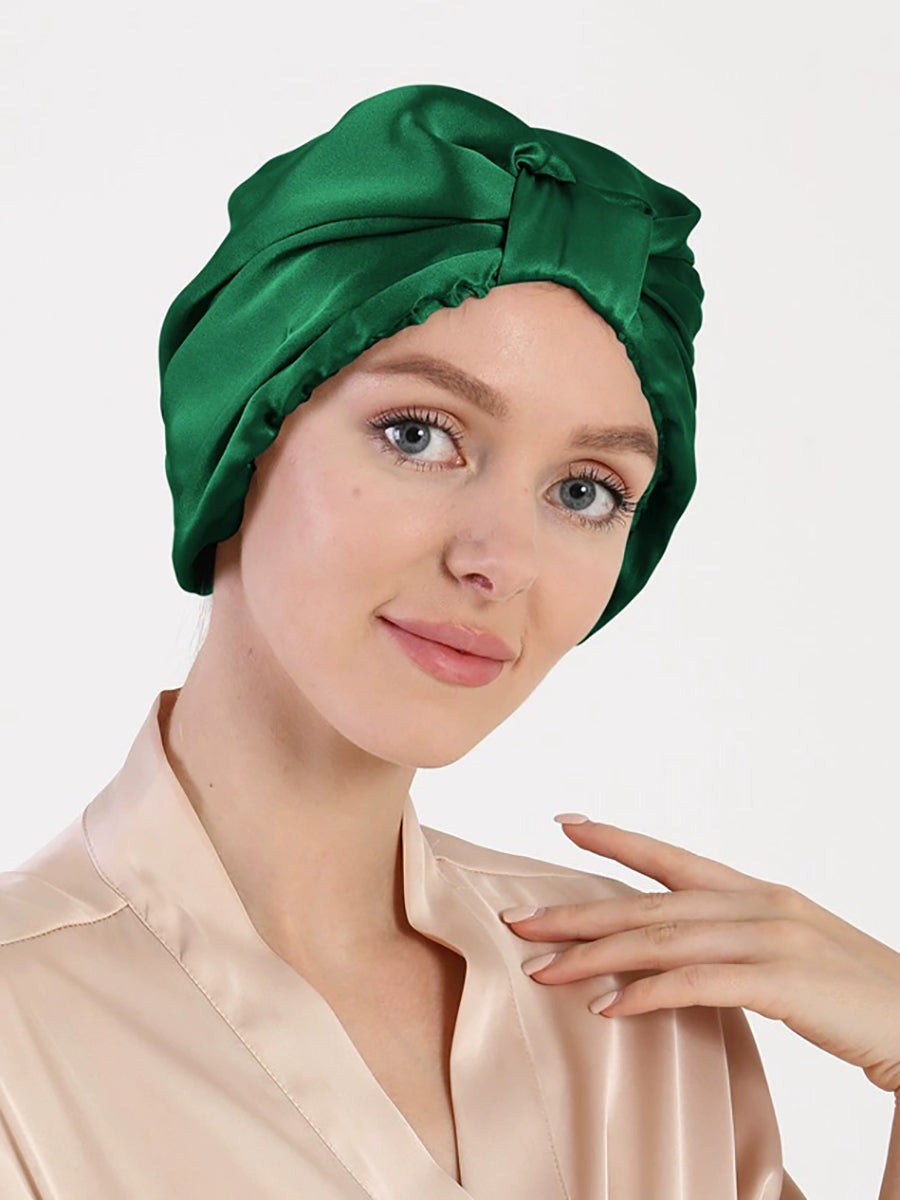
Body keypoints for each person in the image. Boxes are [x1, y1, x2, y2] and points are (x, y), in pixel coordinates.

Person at [2, 83, 898, 1200]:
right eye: (419, 434)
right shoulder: (24, 1040)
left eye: (584, 490)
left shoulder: (644, 1006)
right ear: (244, 432)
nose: (498, 559)